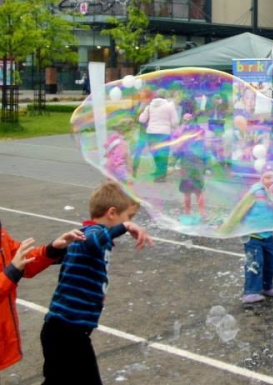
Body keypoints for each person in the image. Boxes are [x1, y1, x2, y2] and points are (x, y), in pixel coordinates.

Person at [40, 180, 153, 383]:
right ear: (112, 213)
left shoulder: (87, 237)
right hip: (67, 331)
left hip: (66, 330)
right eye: (129, 216)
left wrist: (98, 291)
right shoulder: (89, 235)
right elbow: (93, 242)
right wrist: (125, 226)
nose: (130, 222)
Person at [1, 219, 84, 371]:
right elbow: (15, 266)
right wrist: (11, 272)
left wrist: (51, 250)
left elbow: (22, 259)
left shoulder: (2, 235)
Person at [221, 164, 273, 303]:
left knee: (271, 263)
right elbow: (239, 210)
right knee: (255, 263)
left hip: (268, 236)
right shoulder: (255, 193)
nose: (272, 180)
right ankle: (251, 292)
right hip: (252, 235)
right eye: (268, 177)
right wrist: (225, 230)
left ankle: (267, 287)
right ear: (261, 178)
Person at [138, 88, 179, 182]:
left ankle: (159, 172)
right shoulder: (169, 106)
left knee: (155, 154)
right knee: (163, 155)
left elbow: (142, 119)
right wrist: (171, 125)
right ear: (165, 96)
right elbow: (175, 122)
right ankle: (160, 176)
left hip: (151, 133)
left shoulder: (149, 106)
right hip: (164, 134)